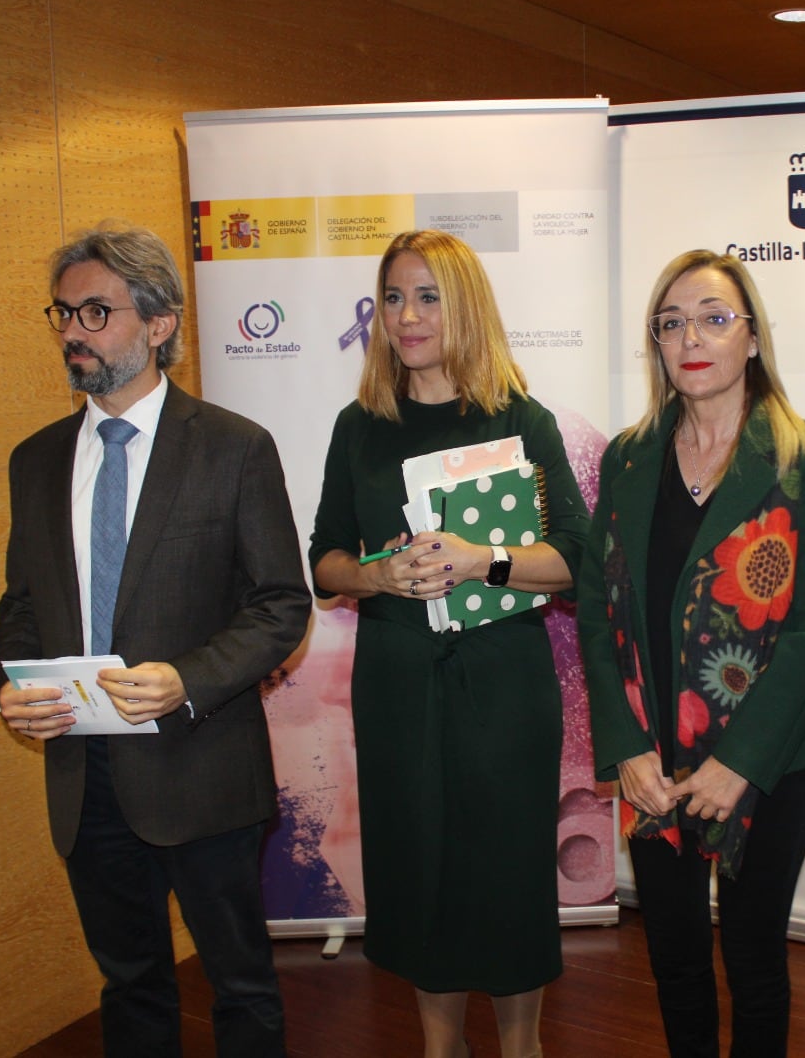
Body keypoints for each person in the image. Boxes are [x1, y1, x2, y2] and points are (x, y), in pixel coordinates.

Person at [0, 222, 309, 1058]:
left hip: (202, 764)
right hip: (84, 775)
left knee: (240, 986)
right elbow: (20, 604)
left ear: (160, 324)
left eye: (96, 312)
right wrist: (9, 682)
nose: (72, 333)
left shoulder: (235, 448)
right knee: (130, 985)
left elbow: (281, 605)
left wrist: (187, 680)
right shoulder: (35, 460)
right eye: (61, 314)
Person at [307, 229, 587, 1058]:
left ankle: (522, 1044)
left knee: (505, 868)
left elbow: (571, 559)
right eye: (393, 297)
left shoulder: (520, 420)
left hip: (503, 683)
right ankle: (440, 1047)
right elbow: (324, 559)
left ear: (463, 306)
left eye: (427, 296)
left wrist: (483, 561)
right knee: (417, 860)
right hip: (397, 681)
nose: (407, 315)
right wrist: (378, 577)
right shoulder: (358, 428)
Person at [579, 250, 805, 1057]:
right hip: (653, 765)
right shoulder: (630, 457)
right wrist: (625, 745)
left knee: (754, 960)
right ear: (656, 346)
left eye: (713, 317)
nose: (690, 336)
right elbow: (599, 610)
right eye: (671, 322)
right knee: (674, 961)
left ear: (754, 338)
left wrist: (741, 762)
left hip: (768, 762)